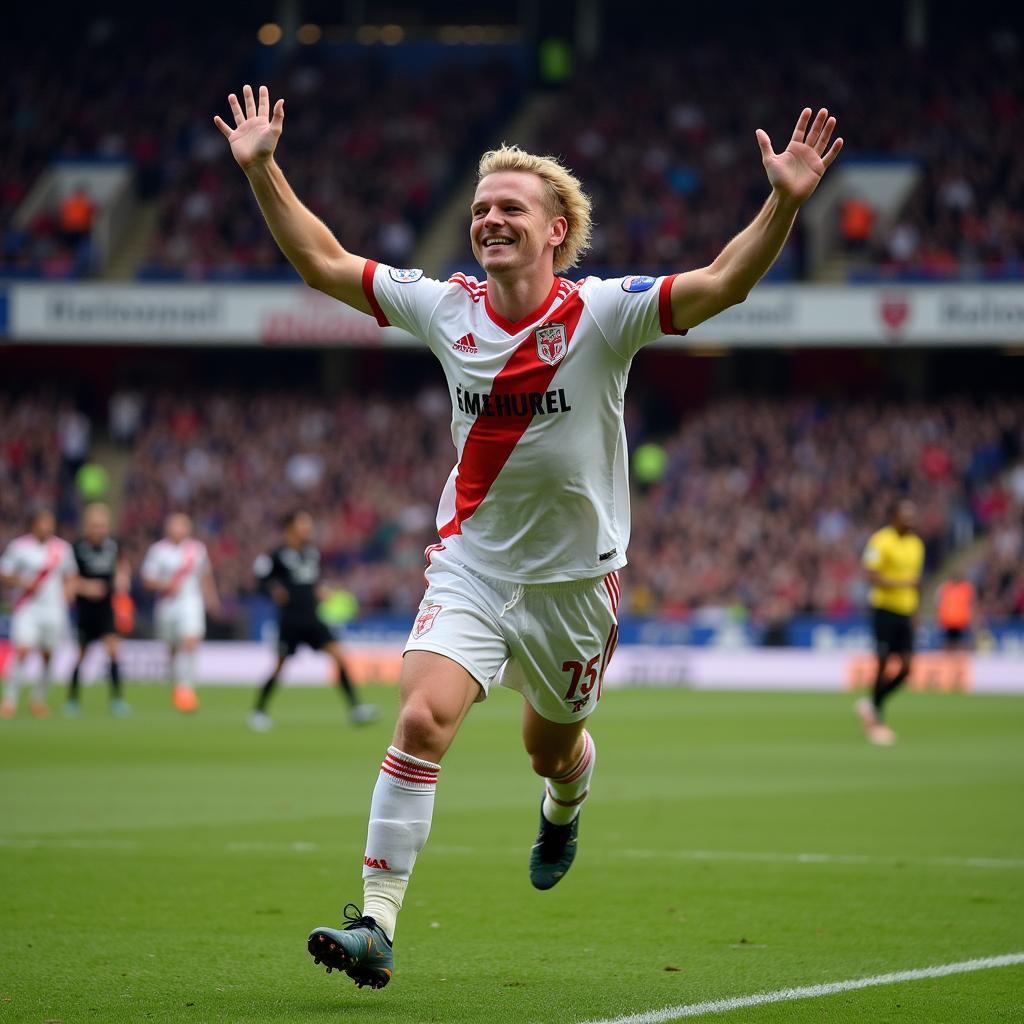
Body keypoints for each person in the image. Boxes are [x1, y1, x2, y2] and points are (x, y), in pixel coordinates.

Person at [215, 82, 843, 989]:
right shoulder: (445, 307)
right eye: (480, 208)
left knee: (547, 748)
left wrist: (783, 201)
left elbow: (721, 284)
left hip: (575, 588)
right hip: (471, 567)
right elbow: (322, 262)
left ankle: (564, 801)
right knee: (423, 717)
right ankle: (377, 925)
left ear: (557, 229)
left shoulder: (604, 313)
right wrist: (265, 169)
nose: (490, 220)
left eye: (511, 207)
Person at [250, 510, 377, 730]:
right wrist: (273, 590)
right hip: (290, 620)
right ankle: (258, 711)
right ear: (290, 527)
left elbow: (314, 583)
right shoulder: (275, 556)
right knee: (280, 666)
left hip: (313, 617)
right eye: (303, 524)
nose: (308, 528)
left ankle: (356, 708)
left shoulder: (311, 553)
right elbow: (260, 582)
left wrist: (325, 592)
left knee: (339, 656)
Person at [856, 499, 925, 745]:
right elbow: (872, 576)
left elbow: (916, 584)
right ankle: (876, 720)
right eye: (906, 514)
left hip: (905, 612)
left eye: (912, 514)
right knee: (883, 662)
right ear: (894, 516)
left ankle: (872, 704)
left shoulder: (916, 545)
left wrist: (916, 610)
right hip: (884, 609)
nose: (910, 519)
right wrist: (903, 584)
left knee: (906, 668)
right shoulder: (880, 541)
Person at [0, 509, 77, 719]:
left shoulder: (62, 548)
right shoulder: (19, 547)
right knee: (22, 650)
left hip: (54, 610)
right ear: (34, 524)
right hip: (28, 608)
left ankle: (38, 699)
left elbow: (71, 575)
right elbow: (5, 573)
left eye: (50, 522)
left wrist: (69, 591)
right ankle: (9, 700)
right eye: (43, 522)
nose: (48, 526)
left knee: (48, 655)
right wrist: (22, 582)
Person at [141, 512, 220, 713]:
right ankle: (179, 684)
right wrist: (164, 584)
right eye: (175, 526)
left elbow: (205, 575)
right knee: (173, 648)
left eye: (182, 526)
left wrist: (212, 599)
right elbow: (147, 580)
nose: (178, 530)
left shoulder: (197, 550)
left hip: (191, 602)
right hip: (167, 604)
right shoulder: (158, 551)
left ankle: (186, 689)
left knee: (190, 640)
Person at [67, 503, 132, 717]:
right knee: (81, 655)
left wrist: (123, 579)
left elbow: (123, 567)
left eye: (103, 525)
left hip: (106, 609)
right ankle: (73, 700)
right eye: (95, 525)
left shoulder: (113, 545)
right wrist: (87, 587)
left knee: (114, 651)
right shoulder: (77, 549)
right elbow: (69, 580)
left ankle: (117, 700)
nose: (99, 530)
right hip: (86, 610)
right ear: (87, 527)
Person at [937, 572, 976, 650]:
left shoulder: (966, 588)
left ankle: (960, 659)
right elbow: (939, 604)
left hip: (962, 622)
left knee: (961, 644)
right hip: (948, 622)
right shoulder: (945, 588)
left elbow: (972, 604)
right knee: (949, 644)